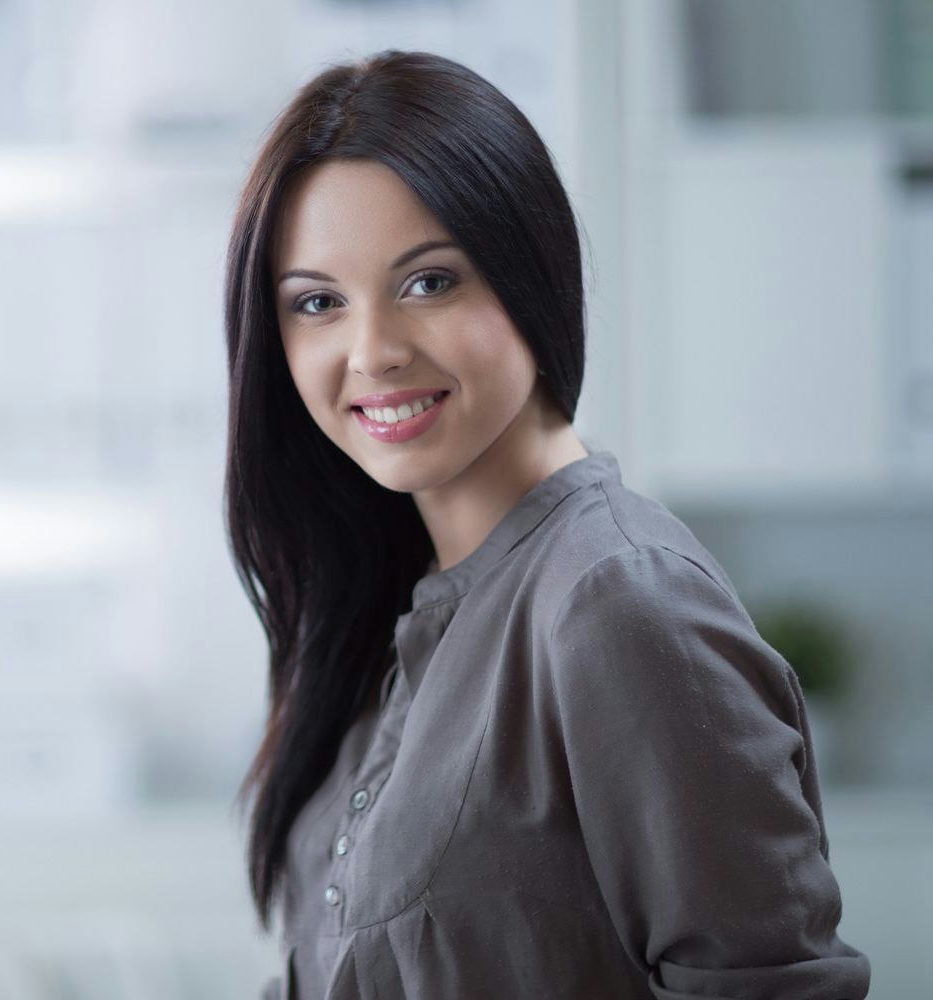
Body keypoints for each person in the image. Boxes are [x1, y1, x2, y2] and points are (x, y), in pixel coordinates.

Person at [223, 49, 871, 1000]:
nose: (373, 352)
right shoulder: (384, 608)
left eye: (428, 282)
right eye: (318, 303)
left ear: (529, 271)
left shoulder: (619, 603)